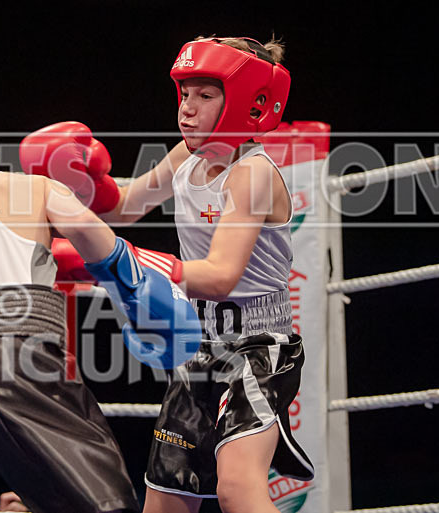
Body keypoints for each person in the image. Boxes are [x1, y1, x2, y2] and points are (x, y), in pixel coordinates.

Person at [19, 36, 314, 513]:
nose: (188, 108)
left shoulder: (251, 173)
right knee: (167, 497)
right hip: (197, 345)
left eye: (205, 95)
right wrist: (78, 182)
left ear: (246, 101)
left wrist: (116, 262)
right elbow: (125, 207)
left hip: (258, 348)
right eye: (184, 94)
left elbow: (220, 275)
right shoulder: (186, 155)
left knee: (238, 489)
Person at [0, 127, 199, 513]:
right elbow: (94, 235)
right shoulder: (35, 187)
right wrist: (137, 288)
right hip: (18, 347)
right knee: (107, 502)